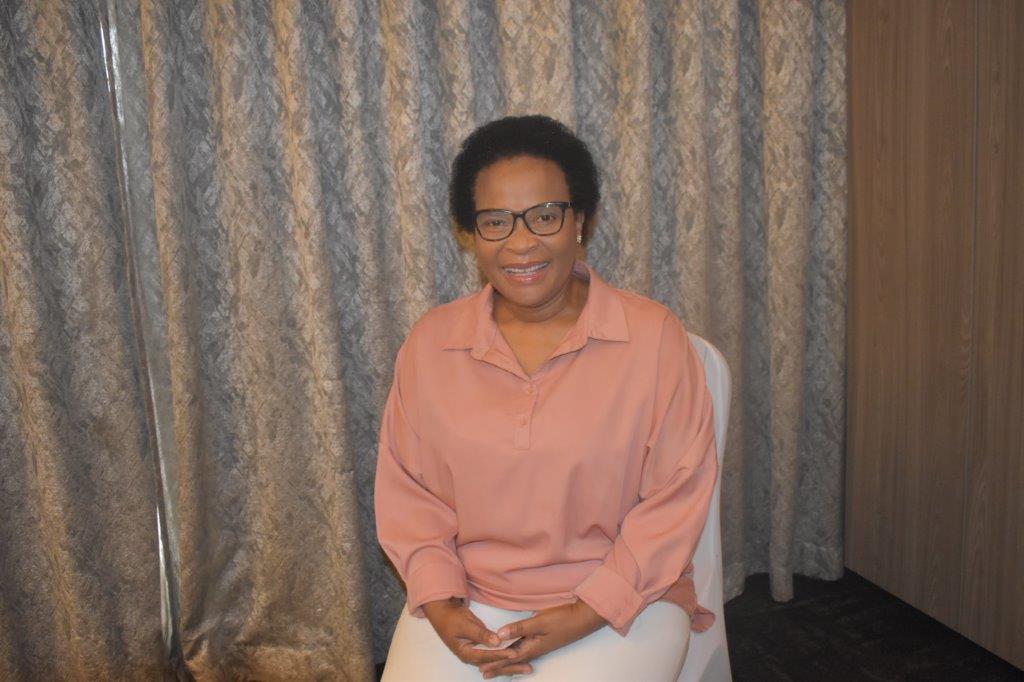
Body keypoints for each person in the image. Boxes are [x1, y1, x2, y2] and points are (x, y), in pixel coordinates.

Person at [375, 115, 718, 681]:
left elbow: (674, 499)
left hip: (628, 599)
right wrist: (440, 600)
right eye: (495, 222)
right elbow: (409, 495)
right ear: (470, 234)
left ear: (580, 219)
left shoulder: (653, 338)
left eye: (545, 215)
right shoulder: (431, 343)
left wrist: (587, 611)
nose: (521, 242)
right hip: (469, 595)